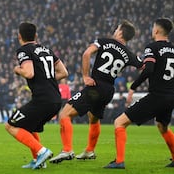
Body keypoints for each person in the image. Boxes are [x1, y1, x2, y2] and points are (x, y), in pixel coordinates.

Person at [49, 20, 143, 164]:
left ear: (120, 32)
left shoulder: (104, 42)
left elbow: (87, 54)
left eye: (117, 29)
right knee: (93, 118)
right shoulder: (129, 54)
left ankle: (67, 149)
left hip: (96, 86)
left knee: (64, 115)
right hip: (109, 90)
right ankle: (89, 150)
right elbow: (144, 67)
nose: (114, 31)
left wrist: (85, 76)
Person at [104, 18, 174, 169]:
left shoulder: (152, 47)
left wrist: (133, 87)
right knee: (163, 126)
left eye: (152, 27)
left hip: (157, 95)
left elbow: (148, 69)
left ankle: (119, 161)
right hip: (171, 96)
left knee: (119, 122)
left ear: (156, 30)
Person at [5, 22, 69, 169]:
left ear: (19, 36)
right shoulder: (47, 50)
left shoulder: (23, 51)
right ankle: (37, 162)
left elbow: (29, 73)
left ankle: (42, 151)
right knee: (29, 127)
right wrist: (47, 80)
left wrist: (17, 69)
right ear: (36, 35)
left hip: (43, 100)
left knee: (10, 125)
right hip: (55, 99)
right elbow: (64, 73)